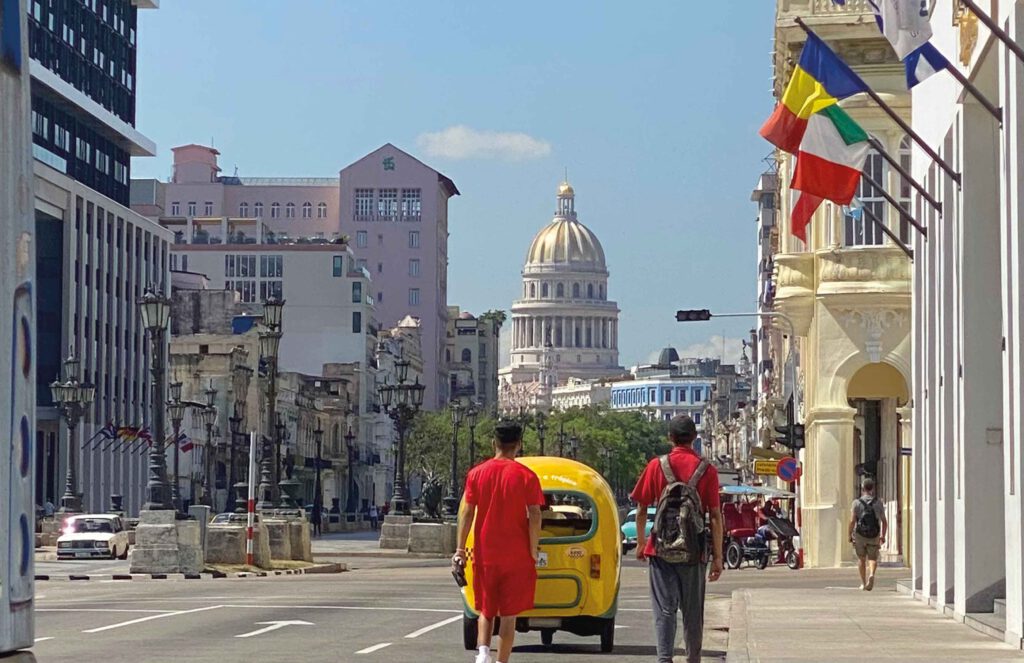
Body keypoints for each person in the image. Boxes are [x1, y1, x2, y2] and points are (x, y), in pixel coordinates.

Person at [632, 415, 723, 663]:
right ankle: (693, 658)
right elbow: (714, 515)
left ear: (670, 438)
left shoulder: (656, 466)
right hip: (695, 552)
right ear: (694, 438)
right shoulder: (707, 470)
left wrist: (641, 543)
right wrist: (718, 557)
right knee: (693, 612)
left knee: (664, 609)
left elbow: (641, 509)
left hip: (660, 550)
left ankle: (664, 659)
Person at [453, 421, 544, 663]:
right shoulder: (527, 476)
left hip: (485, 552)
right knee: (509, 616)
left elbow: (466, 513)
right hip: (517, 554)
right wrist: (533, 549)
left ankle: (483, 654)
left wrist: (460, 549)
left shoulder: (476, 474)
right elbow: (535, 515)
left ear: (494, 443)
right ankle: (501, 661)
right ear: (519, 445)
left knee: (486, 610)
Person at [849, 476, 887, 591]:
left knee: (861, 559)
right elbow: (884, 521)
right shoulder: (878, 503)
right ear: (873, 489)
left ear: (862, 488)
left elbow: (852, 521)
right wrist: (882, 536)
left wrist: (849, 534)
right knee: (873, 558)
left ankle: (863, 582)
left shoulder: (856, 503)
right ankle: (872, 574)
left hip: (860, 534)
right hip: (874, 534)